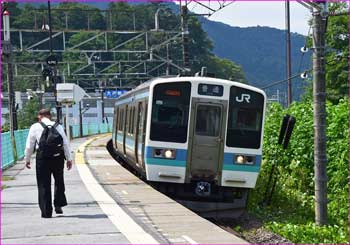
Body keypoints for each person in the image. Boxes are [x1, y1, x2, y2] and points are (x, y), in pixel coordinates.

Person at [24, 109, 73, 218]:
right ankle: (58, 204)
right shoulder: (58, 126)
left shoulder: (35, 127)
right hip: (58, 157)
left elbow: (29, 146)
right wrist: (69, 159)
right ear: (50, 116)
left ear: (39, 116)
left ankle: (46, 212)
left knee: (43, 184)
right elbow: (65, 143)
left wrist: (27, 159)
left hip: (42, 159)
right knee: (59, 181)